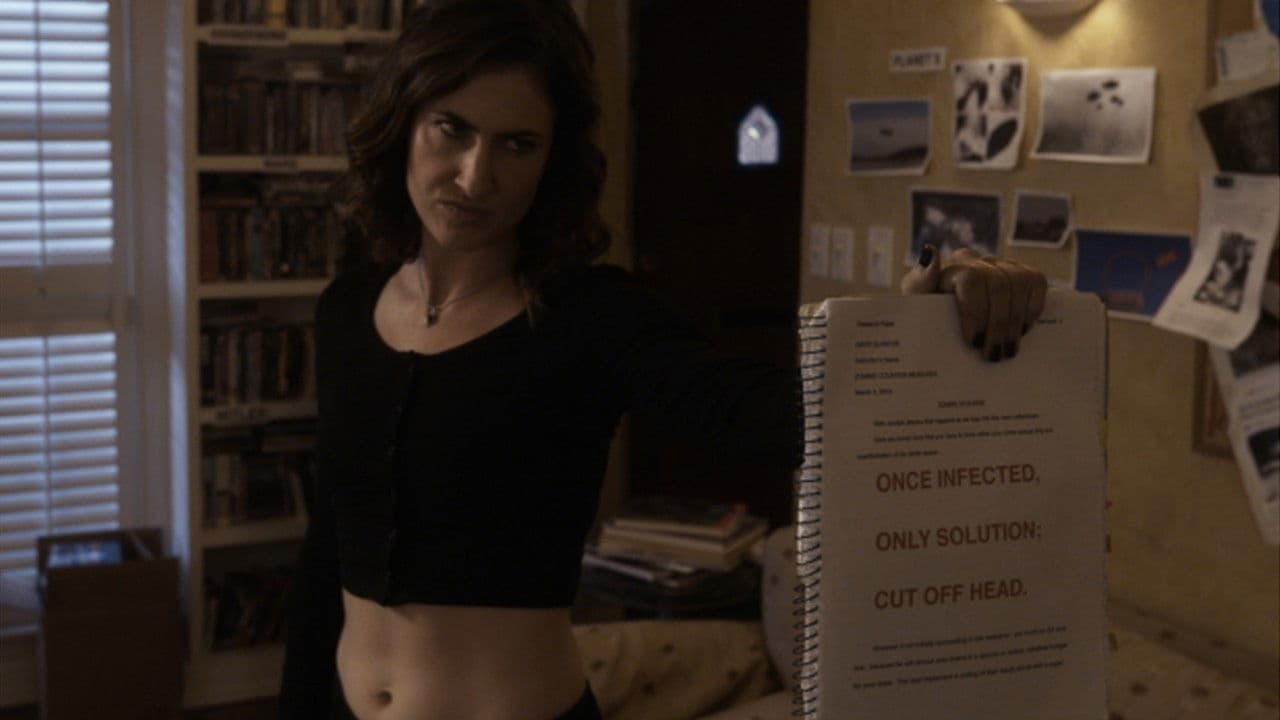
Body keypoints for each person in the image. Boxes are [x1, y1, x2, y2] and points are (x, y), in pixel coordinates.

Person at [278, 2, 1048, 719]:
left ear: (554, 160)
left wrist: (924, 321)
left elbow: (783, 418)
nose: (476, 176)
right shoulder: (348, 307)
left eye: (518, 144)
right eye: (451, 129)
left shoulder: (591, 316)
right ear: (403, 121)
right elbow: (327, 553)